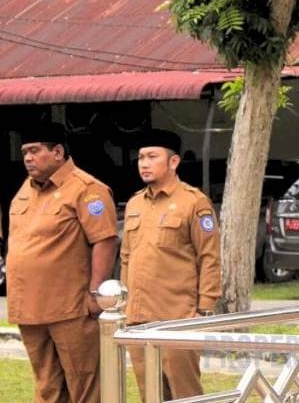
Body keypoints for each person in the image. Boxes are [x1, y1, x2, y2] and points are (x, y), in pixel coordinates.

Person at [5, 122, 118, 402]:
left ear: (57, 152)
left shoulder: (87, 189)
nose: (28, 158)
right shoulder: (25, 190)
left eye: (35, 151)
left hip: (70, 308)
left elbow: (104, 240)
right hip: (29, 308)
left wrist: (96, 293)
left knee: (84, 384)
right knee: (47, 386)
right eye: (25, 152)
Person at [120, 129, 221, 400]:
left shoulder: (194, 202)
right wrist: (125, 306)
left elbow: (209, 257)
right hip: (138, 317)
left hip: (178, 316)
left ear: (173, 161)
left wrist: (204, 309)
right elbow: (127, 257)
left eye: (152, 157)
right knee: (150, 393)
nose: (144, 163)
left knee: (184, 392)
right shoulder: (134, 203)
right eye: (141, 157)